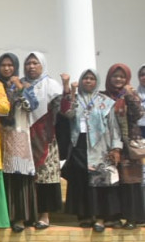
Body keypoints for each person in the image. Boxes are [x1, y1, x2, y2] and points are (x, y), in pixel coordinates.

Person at [61, 69, 122, 232]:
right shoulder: (76, 99)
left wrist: (116, 147)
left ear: (97, 82)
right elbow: (68, 113)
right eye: (85, 78)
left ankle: (101, 218)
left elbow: (113, 126)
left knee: (99, 182)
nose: (88, 81)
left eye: (92, 78)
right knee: (81, 181)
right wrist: (69, 90)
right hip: (78, 144)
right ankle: (86, 216)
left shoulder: (106, 101)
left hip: (100, 146)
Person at [0, 53, 38, 232]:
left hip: (17, 134)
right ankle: (5, 215)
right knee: (3, 177)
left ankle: (20, 217)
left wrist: (20, 89)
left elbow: (32, 106)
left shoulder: (24, 85)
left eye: (10, 65)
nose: (6, 68)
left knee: (19, 174)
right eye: (3, 65)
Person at [22, 51, 63, 229]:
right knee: (26, 176)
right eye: (28, 63)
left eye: (35, 63)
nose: (31, 66)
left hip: (46, 137)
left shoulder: (52, 85)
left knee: (45, 176)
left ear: (42, 65)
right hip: (24, 135)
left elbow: (60, 112)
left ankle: (44, 215)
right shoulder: (20, 84)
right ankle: (28, 214)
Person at [104, 63, 144, 228]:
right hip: (108, 144)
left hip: (128, 145)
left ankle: (132, 218)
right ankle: (114, 216)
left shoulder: (130, 94)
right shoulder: (103, 96)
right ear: (109, 78)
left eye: (121, 76)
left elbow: (138, 115)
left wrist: (129, 96)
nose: (118, 79)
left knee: (130, 181)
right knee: (113, 181)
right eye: (115, 76)